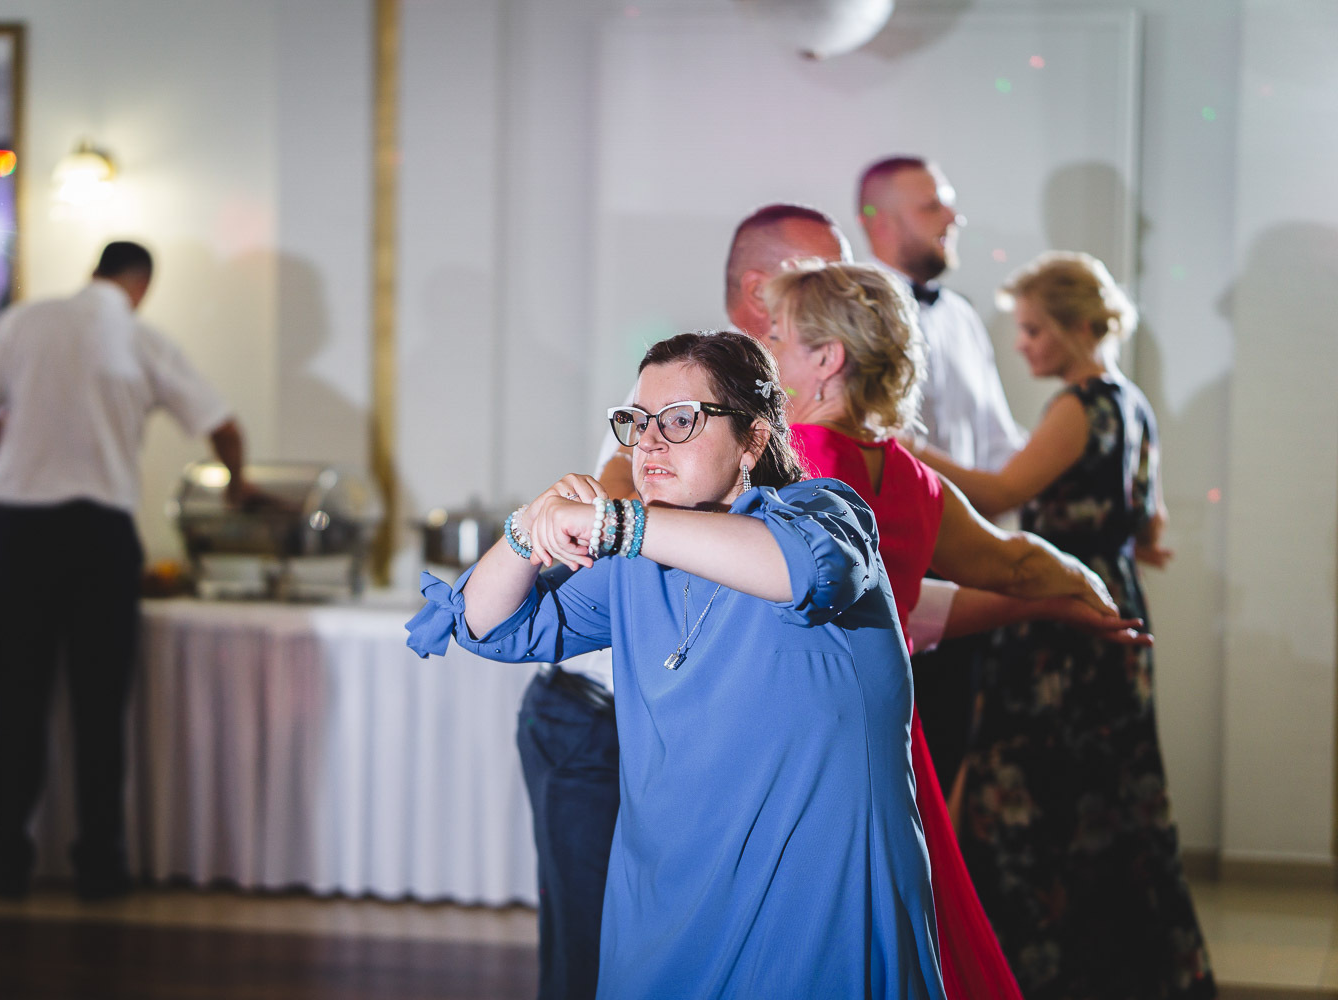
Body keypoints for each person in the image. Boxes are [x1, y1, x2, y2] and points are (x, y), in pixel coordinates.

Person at [411, 331, 945, 998]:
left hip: (809, 908)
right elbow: (488, 626)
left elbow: (806, 571)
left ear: (752, 441)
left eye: (680, 420)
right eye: (638, 422)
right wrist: (527, 530)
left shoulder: (824, 512)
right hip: (670, 905)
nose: (649, 443)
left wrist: (618, 525)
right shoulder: (637, 565)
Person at [764, 258, 1151, 1000]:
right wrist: (1084, 589)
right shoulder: (911, 476)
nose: (768, 351)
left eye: (778, 336)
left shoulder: (794, 463)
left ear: (827, 359)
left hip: (803, 738)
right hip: (889, 734)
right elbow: (1014, 562)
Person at [515, 203, 851, 1000]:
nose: (840, 286)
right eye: (823, 271)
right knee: (597, 953)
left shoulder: (800, 446)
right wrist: (569, 521)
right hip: (602, 711)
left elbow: (813, 566)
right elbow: (615, 506)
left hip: (699, 727)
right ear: (760, 288)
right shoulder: (684, 393)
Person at [911, 251, 1213, 999]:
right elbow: (1152, 529)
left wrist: (907, 453)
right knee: (1111, 792)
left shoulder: (1077, 406)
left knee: (1025, 794)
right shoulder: (1133, 403)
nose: (1021, 346)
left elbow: (1002, 491)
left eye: (1034, 330)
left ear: (1079, 328)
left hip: (1062, 619)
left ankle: (1027, 973)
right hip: (1116, 600)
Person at [0, 241, 253, 901]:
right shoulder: (144, 339)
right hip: (99, 536)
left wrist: (10, 446)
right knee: (100, 706)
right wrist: (237, 484)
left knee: (19, 701)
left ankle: (8, 862)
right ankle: (100, 865)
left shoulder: (26, 321)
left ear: (94, 270)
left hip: (21, 528)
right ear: (140, 284)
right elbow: (224, 426)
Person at [858, 155, 1026, 794]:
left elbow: (998, 441)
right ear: (878, 221)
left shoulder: (961, 316)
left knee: (951, 751)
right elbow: (874, 439)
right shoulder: (854, 313)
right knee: (888, 766)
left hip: (965, 559)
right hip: (893, 568)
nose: (953, 216)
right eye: (932, 205)